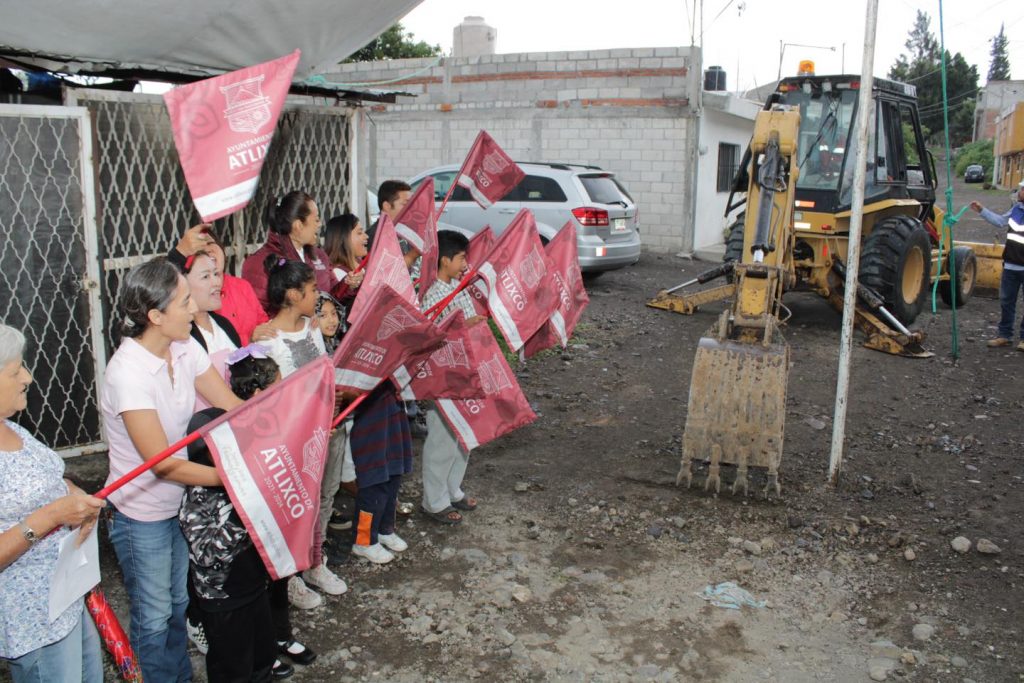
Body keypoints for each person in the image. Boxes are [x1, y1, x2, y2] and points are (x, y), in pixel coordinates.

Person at [101, 258, 243, 682]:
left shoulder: (184, 347)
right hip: (138, 515)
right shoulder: (127, 373)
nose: (193, 310)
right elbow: (162, 463)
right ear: (156, 316)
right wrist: (231, 478)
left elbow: (230, 408)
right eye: (184, 302)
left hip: (177, 506)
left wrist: (283, 413)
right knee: (154, 614)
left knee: (178, 606)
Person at [0, 324, 105, 683]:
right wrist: (52, 516)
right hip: (32, 620)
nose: (27, 378)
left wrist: (71, 493)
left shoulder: (12, 427)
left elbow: (44, 479)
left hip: (65, 597)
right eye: (15, 371)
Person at [179, 346, 282, 682]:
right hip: (223, 600)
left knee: (261, 659)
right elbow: (207, 554)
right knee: (232, 668)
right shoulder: (198, 498)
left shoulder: (241, 480)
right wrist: (242, 513)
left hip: (254, 586)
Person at [260, 257, 348, 612]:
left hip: (332, 429)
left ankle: (314, 560)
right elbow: (272, 402)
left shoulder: (313, 328)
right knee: (297, 507)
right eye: (312, 290)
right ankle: (290, 575)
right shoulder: (268, 340)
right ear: (293, 295)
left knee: (325, 498)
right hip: (297, 440)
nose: (317, 296)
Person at [419, 231, 488, 525]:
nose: (465, 264)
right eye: (461, 258)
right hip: (443, 378)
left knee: (464, 436)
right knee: (442, 439)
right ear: (444, 259)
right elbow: (428, 337)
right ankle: (433, 501)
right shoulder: (430, 293)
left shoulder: (458, 288)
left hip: (464, 375)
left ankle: (452, 488)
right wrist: (463, 326)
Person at [169, 226, 272, 346]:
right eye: (205, 276)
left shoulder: (242, 286)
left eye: (210, 243)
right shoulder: (187, 332)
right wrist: (249, 339)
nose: (206, 249)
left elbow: (263, 322)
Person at [242, 191, 338, 314]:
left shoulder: (320, 255)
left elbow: (332, 297)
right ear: (298, 225)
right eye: (316, 219)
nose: (319, 225)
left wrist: (348, 285)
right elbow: (256, 315)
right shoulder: (259, 263)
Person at [970, 178, 1024, 350]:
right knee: (1007, 301)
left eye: (1022, 190)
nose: (1020, 193)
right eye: (1020, 190)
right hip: (1011, 265)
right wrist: (982, 210)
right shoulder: (1016, 209)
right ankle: (1005, 335)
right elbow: (1000, 221)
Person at [322, 213, 367, 302]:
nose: (366, 236)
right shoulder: (337, 273)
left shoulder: (362, 263)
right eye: (359, 233)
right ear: (343, 239)